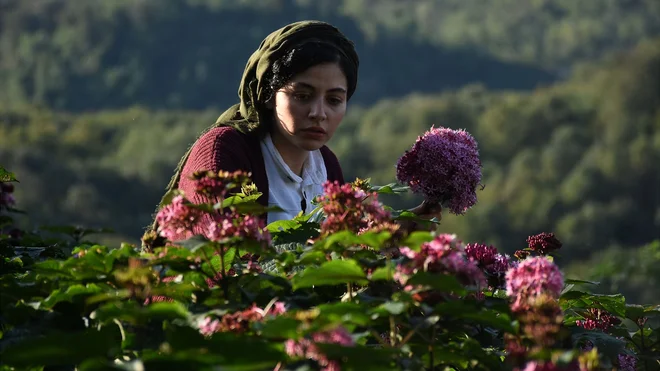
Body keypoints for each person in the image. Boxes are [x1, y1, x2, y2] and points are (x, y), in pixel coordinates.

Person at [144, 20, 440, 247]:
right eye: (302, 96)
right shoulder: (225, 151)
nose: (319, 112)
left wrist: (396, 235)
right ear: (269, 95)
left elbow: (337, 260)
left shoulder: (326, 166)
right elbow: (221, 264)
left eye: (334, 100)